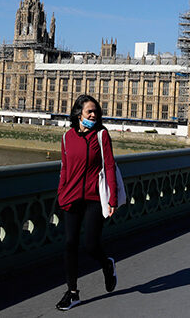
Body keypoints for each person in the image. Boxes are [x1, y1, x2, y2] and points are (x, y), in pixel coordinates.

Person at [55, 94, 118, 311]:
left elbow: (109, 166)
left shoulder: (101, 135)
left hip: (94, 198)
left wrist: (112, 198)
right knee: (70, 244)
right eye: (89, 111)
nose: (93, 114)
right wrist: (61, 194)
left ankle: (106, 264)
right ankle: (72, 292)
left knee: (90, 244)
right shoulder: (66, 138)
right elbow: (64, 168)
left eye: (96, 111)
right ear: (78, 113)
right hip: (71, 197)